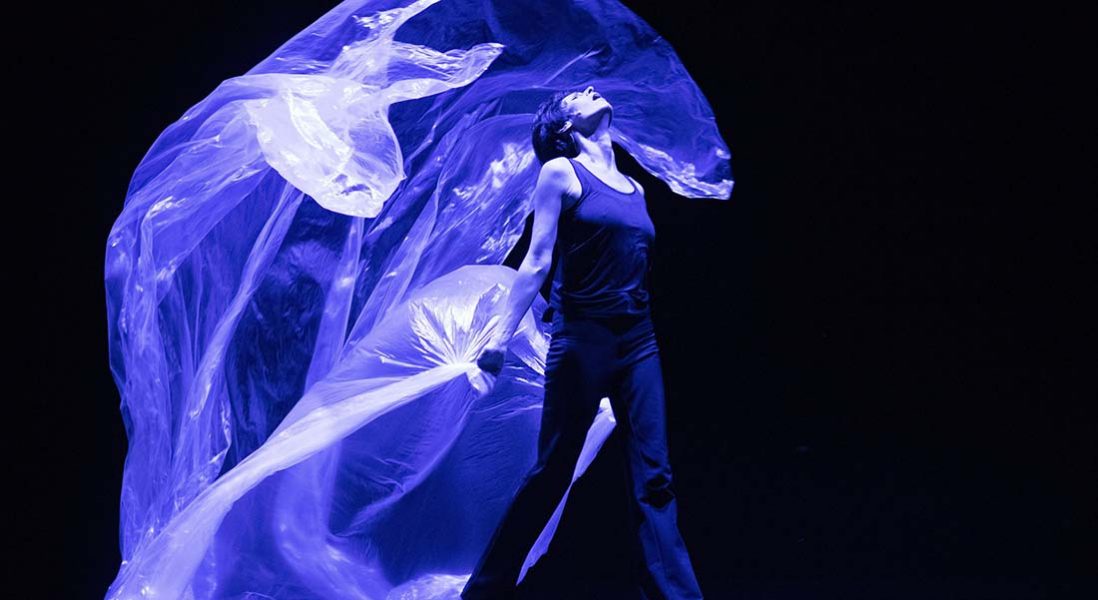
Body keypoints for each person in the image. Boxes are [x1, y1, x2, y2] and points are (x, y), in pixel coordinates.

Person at [461, 85, 705, 600]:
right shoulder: (561, 174)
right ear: (565, 128)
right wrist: (499, 340)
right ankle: (484, 593)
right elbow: (536, 260)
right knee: (553, 471)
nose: (590, 89)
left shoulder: (634, 189)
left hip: (638, 340)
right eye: (577, 95)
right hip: (582, 339)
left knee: (655, 480)